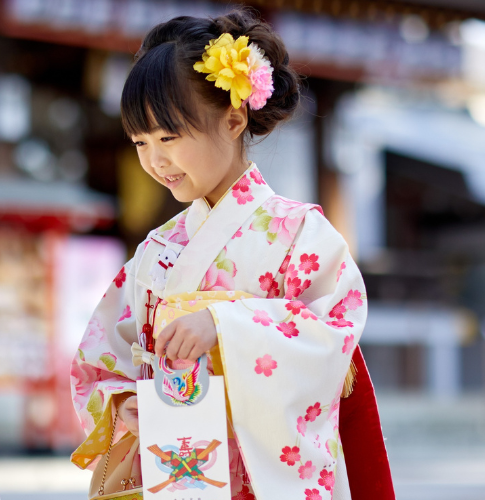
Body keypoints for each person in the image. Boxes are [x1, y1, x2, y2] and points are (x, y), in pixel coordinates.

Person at [70, 10, 394, 500]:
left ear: (234, 118)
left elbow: (333, 339)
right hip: (176, 471)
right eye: (140, 142)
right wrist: (121, 404)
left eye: (169, 137)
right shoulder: (155, 252)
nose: (154, 160)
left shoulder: (301, 234)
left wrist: (224, 327)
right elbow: (101, 359)